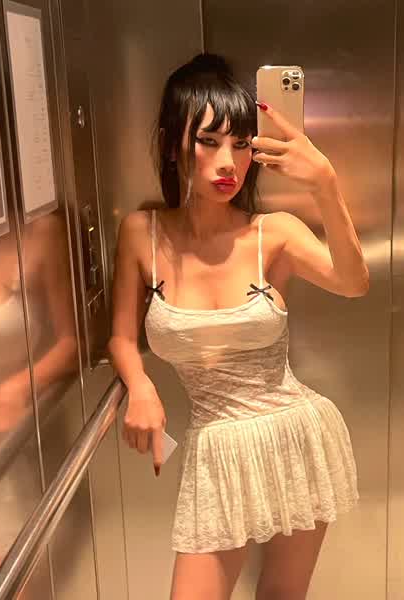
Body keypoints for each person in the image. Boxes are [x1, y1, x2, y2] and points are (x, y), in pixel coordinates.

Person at [108, 53, 369, 600]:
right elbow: (121, 337)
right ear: (171, 145)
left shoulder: (274, 233)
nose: (228, 162)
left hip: (293, 435)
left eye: (242, 143)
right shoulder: (141, 232)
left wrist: (325, 183)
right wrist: (140, 385)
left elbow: (353, 283)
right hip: (215, 448)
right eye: (208, 142)